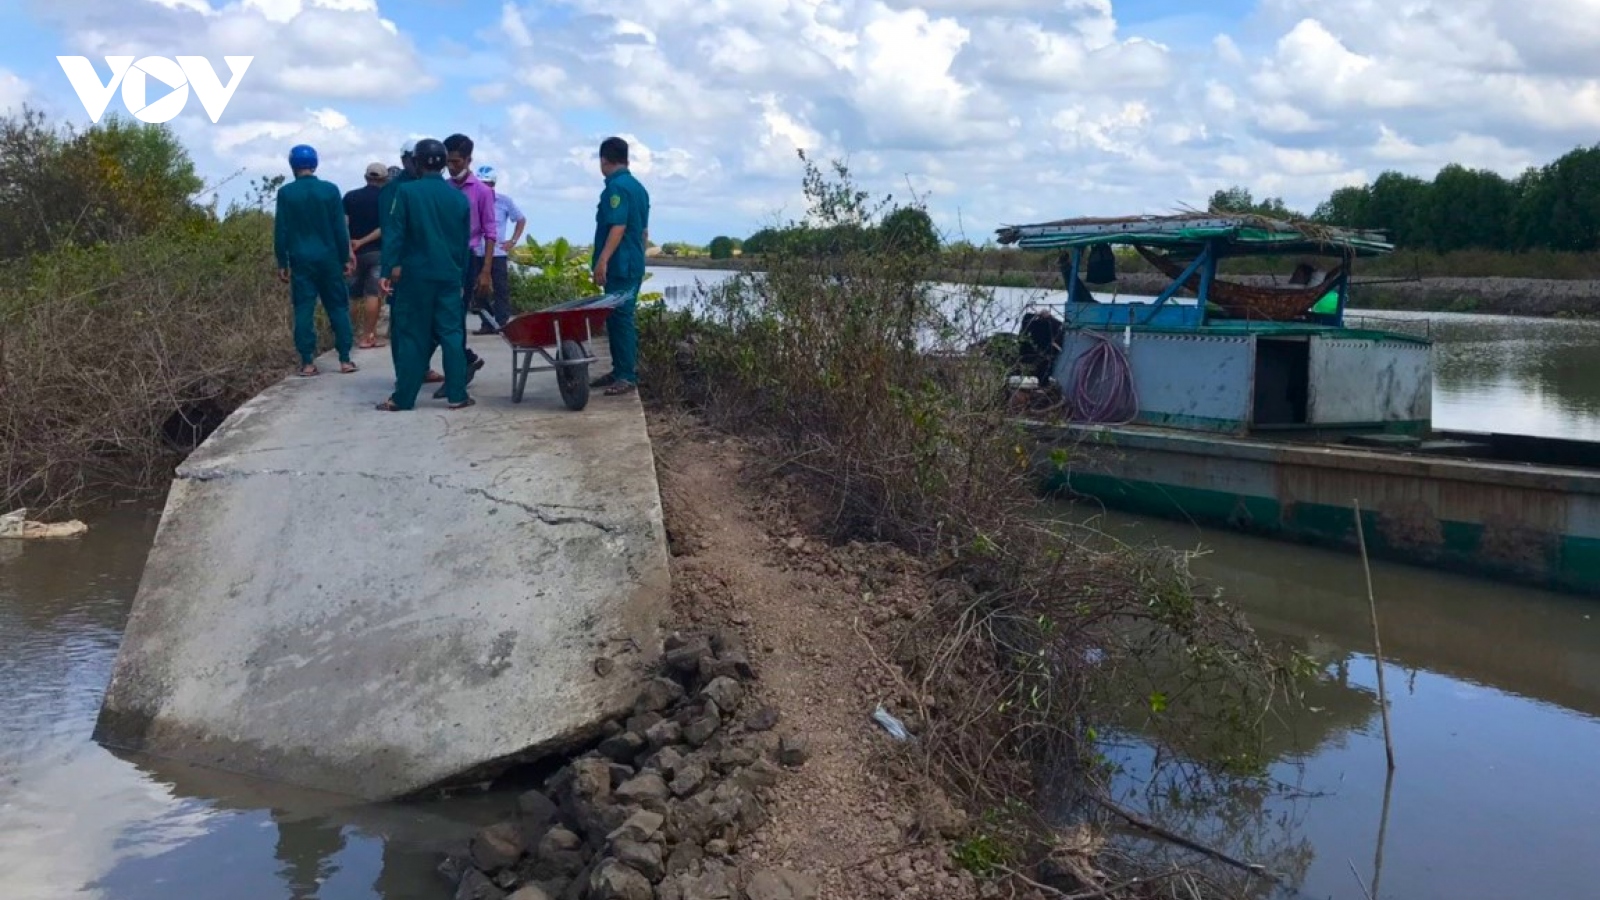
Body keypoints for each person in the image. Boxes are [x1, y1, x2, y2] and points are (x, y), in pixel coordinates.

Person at [375, 138, 473, 411]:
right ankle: (457, 395)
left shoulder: (405, 193)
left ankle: (403, 398)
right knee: (452, 334)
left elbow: (395, 234)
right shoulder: (459, 198)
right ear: (443, 164)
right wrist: (462, 277)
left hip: (414, 278)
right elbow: (463, 244)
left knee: (411, 336)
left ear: (417, 163)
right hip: (449, 276)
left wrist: (387, 270)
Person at [274, 143, 357, 377]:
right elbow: (339, 228)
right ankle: (345, 359)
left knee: (303, 309)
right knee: (338, 307)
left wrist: (282, 262)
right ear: (315, 163)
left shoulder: (286, 193)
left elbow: (281, 230)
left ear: (293, 165)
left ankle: (308, 362)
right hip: (329, 258)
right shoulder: (330, 190)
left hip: (301, 260)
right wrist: (345, 256)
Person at [589, 136, 650, 396]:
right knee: (615, 319)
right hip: (632, 262)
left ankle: (626, 375)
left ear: (604, 159)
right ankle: (619, 370)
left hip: (620, 266)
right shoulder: (638, 187)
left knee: (621, 319)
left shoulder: (616, 188)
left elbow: (618, 226)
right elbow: (644, 232)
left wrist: (602, 260)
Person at [444, 133, 498, 337]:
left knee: (459, 311)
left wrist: (486, 271)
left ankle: (461, 356)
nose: (451, 167)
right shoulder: (444, 187)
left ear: (468, 160)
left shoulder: (482, 192)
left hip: (468, 257)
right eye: (447, 162)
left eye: (456, 162)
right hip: (444, 256)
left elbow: (490, 232)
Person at [344, 161, 389, 349]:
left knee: (353, 295)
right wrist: (364, 241)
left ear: (366, 177)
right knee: (373, 294)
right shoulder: (386, 199)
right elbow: (385, 228)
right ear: (385, 180)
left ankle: (350, 335)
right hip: (377, 253)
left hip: (353, 254)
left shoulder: (350, 197)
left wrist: (350, 247)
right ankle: (368, 336)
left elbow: (343, 224)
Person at [477, 164, 524, 330]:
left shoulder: (504, 201)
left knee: (501, 289)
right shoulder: (472, 200)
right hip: (477, 252)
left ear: (493, 184)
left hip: (497, 252)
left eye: (488, 183)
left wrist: (513, 240)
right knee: (479, 290)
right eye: (481, 183)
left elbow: (520, 219)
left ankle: (502, 322)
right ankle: (487, 323)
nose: (485, 187)